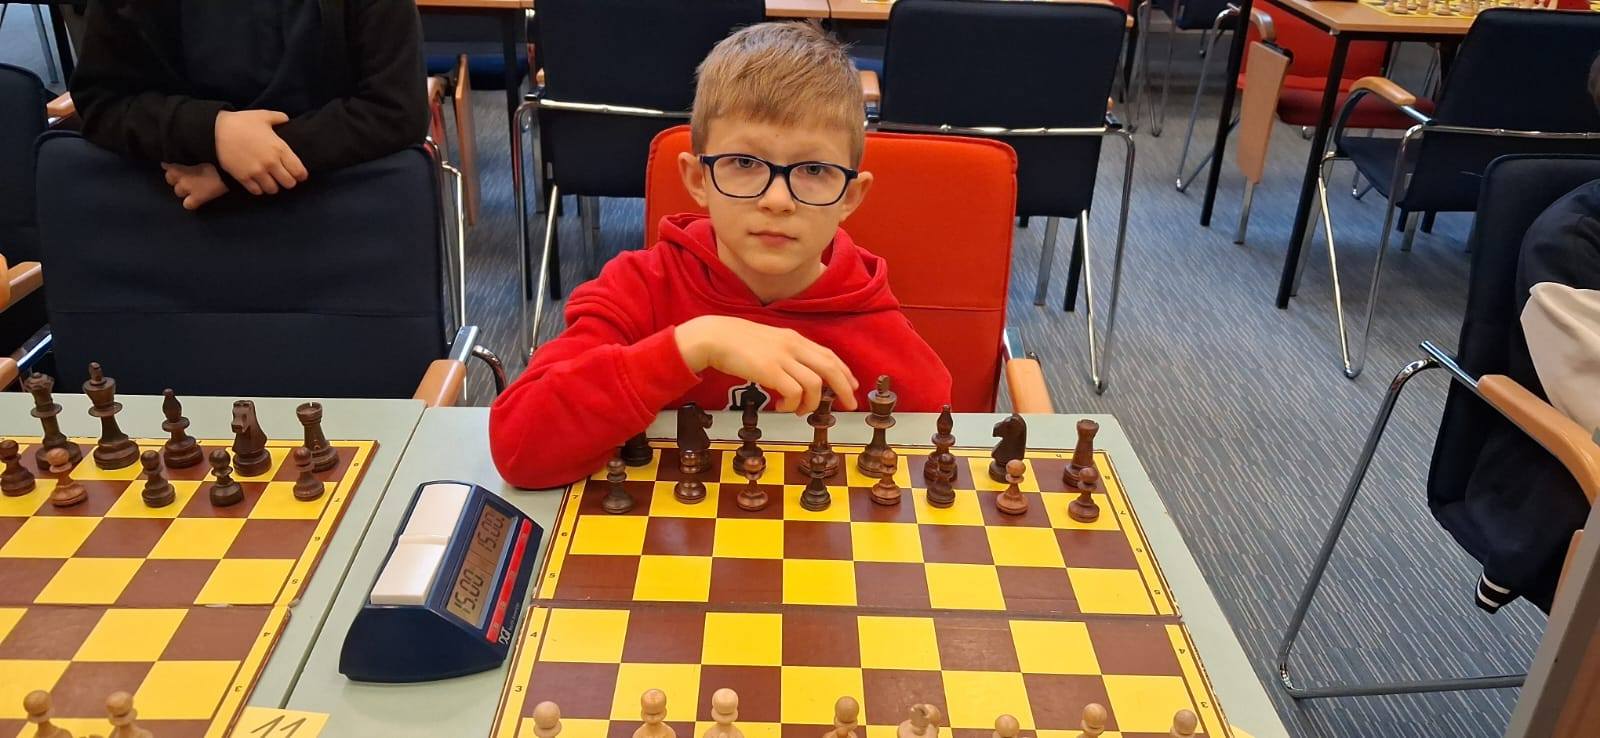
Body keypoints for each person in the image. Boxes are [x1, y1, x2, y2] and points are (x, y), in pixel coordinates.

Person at [489, 21, 953, 489]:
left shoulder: (874, 324)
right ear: (697, 179)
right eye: (744, 163)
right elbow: (519, 448)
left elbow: (937, 457)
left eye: (814, 170)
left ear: (850, 196)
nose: (777, 200)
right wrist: (693, 344)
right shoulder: (640, 288)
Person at [69, 0, 428, 210]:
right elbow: (101, 101)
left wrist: (239, 167)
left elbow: (396, 110)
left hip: (336, 207)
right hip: (176, 218)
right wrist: (212, 131)